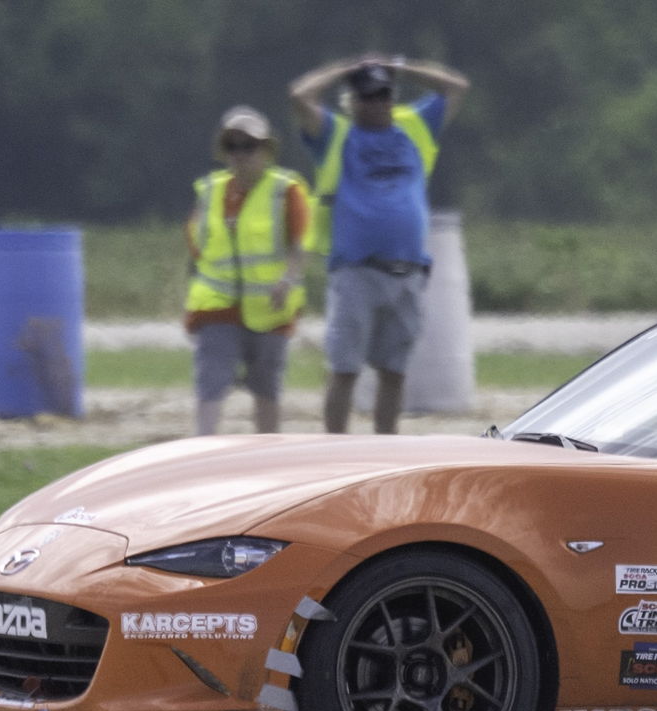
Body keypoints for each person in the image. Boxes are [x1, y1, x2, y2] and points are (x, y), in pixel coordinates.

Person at [289, 53, 469, 434]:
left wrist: (399, 67)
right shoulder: (337, 135)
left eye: (383, 94)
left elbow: (456, 87)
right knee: (344, 369)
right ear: (352, 102)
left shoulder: (415, 126)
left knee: (394, 371)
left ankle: (386, 446)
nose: (377, 103)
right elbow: (300, 96)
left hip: (408, 270)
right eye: (367, 96)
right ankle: (336, 449)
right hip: (357, 269)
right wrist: (345, 68)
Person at [183, 105, 310, 436]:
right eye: (232, 146)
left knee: (267, 389)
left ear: (266, 149)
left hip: (269, 308)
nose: (240, 154)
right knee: (211, 386)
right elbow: (196, 244)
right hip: (217, 308)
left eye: (248, 146)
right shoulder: (209, 191)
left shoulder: (286, 190)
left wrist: (287, 279)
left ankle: (268, 452)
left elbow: (301, 244)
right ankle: (204, 450)